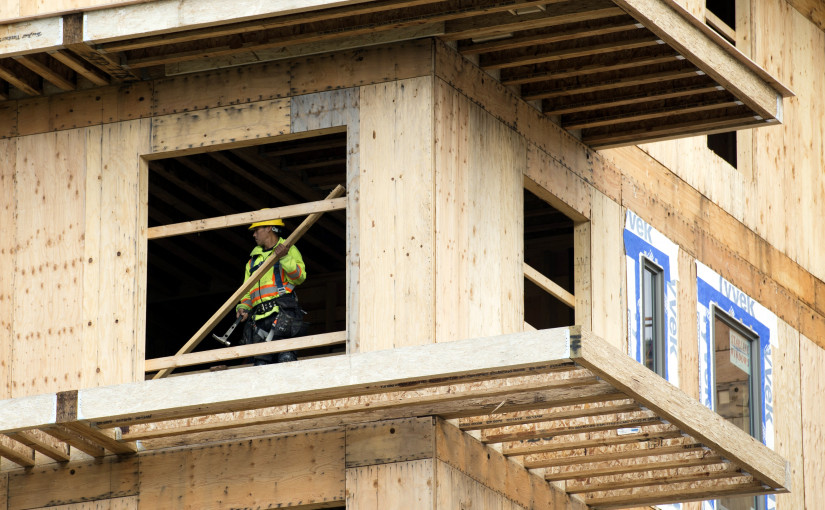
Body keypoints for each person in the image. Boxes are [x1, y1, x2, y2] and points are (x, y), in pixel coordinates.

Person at [236, 217, 307, 365]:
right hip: (260, 319)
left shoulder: (289, 248)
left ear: (268, 228)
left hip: (282, 313)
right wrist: (243, 307)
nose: (253, 235)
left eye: (256, 230)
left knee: (285, 360)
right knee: (260, 365)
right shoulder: (252, 261)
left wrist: (285, 257)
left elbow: (299, 277)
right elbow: (247, 291)